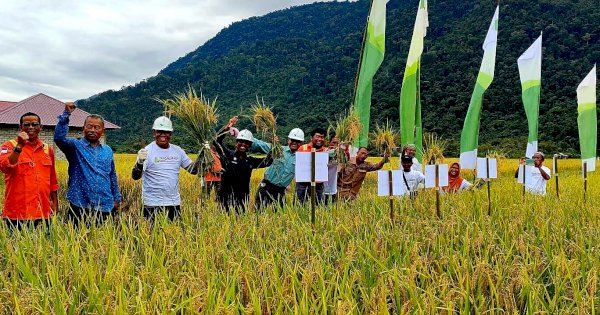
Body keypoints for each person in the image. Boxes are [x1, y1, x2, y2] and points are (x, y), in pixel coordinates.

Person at [54, 102, 122, 225]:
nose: (92, 130)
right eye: (89, 126)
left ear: (103, 131)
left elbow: (112, 175)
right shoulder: (75, 146)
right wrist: (66, 114)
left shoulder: (107, 150)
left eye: (97, 127)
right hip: (79, 204)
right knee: (76, 241)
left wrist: (116, 198)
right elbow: (59, 139)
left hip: (105, 204)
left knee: (102, 241)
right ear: (83, 128)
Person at [131, 116, 199, 221]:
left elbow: (193, 170)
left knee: (173, 235)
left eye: (166, 132)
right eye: (159, 131)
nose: (163, 135)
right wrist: (140, 163)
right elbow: (135, 176)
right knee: (152, 235)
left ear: (171, 134)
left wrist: (203, 155)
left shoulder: (178, 151)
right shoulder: (146, 151)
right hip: (152, 204)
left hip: (173, 203)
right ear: (154, 133)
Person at [0, 112, 59, 229]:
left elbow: (52, 179)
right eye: (26, 125)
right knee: (16, 246)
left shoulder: (47, 149)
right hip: (17, 212)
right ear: (20, 127)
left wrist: (55, 202)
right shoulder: (9, 145)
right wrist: (19, 147)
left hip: (42, 210)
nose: (31, 127)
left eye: (34, 124)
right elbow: (5, 167)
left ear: (40, 127)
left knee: (44, 246)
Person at [214, 116, 272, 213]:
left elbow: (268, 161)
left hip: (242, 200)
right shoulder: (227, 155)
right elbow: (216, 141)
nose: (243, 144)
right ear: (236, 142)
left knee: (239, 224)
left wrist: (274, 145)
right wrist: (228, 126)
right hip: (224, 198)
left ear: (250, 146)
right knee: (222, 223)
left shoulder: (250, 161)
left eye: (247, 143)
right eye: (241, 141)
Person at [251, 128, 305, 209]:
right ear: (288, 140)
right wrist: (243, 136)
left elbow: (321, 156)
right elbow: (260, 144)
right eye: (292, 140)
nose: (294, 142)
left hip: (281, 190)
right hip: (267, 186)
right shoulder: (278, 149)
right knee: (258, 211)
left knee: (278, 216)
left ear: (301, 143)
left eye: (297, 141)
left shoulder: (302, 157)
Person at [295, 128, 332, 204]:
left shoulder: (326, 151)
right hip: (303, 184)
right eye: (317, 136)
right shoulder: (303, 148)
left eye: (322, 137)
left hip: (318, 185)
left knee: (319, 207)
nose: (320, 139)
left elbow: (339, 158)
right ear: (311, 138)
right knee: (299, 205)